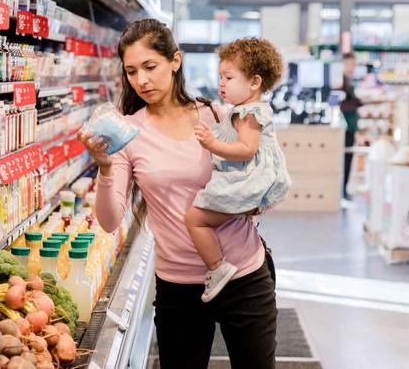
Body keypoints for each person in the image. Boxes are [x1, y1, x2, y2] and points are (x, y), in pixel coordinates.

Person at [78, 19, 279, 369]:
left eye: (150, 67)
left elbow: (256, 171)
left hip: (243, 274)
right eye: (132, 71)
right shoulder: (129, 133)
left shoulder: (215, 114)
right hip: (179, 288)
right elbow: (110, 222)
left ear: (175, 60)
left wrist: (257, 201)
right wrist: (105, 168)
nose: (141, 80)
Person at [185, 38, 291, 303]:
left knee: (195, 219)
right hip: (250, 178)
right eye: (220, 76)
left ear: (254, 82)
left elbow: (246, 149)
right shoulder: (242, 110)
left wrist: (212, 143)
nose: (221, 83)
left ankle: (217, 267)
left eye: (229, 77)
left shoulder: (250, 114)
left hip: (249, 180)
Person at [340, 52, 362, 202]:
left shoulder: (347, 81)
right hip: (345, 128)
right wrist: (358, 102)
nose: (353, 67)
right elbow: (343, 104)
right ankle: (342, 191)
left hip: (350, 127)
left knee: (348, 159)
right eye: (351, 64)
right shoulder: (340, 82)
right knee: (345, 160)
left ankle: (344, 190)